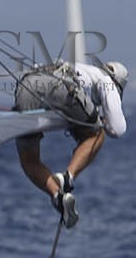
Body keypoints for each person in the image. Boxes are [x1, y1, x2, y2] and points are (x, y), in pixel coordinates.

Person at [13, 59, 127, 229]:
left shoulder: (85, 70)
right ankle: (67, 178)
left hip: (25, 87)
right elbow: (118, 130)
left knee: (29, 161)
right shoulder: (107, 81)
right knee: (96, 135)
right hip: (61, 87)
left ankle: (57, 195)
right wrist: (102, 122)